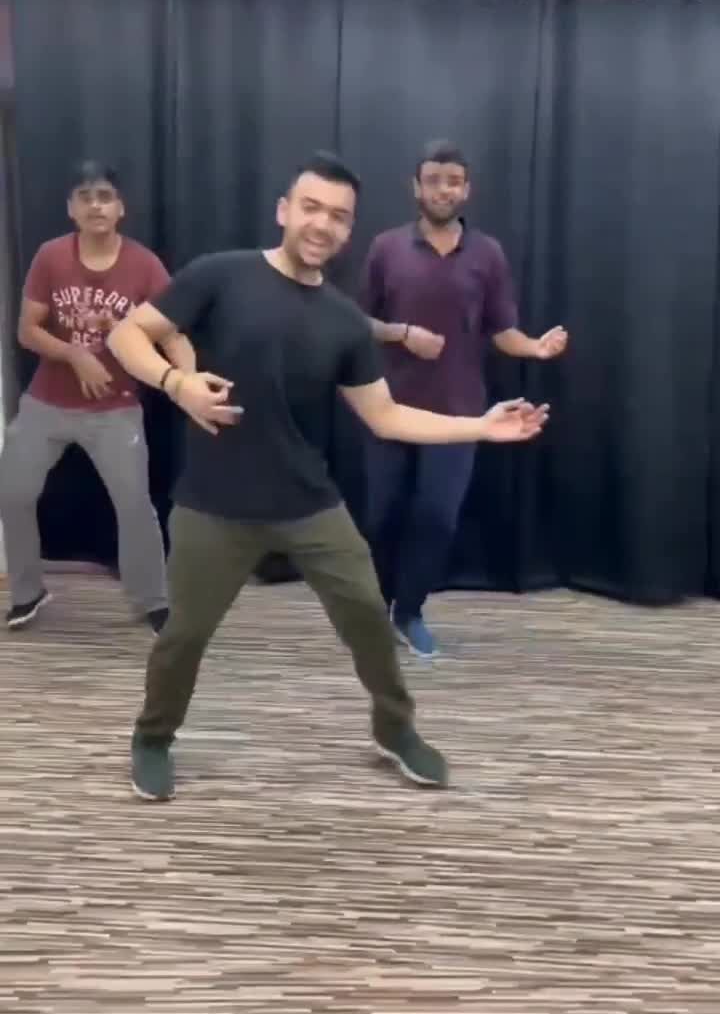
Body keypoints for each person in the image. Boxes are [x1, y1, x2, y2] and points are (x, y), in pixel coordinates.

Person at [108, 151, 549, 802]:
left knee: (369, 616)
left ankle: (394, 729)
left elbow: (387, 416)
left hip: (308, 504)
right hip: (213, 506)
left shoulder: (344, 322)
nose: (322, 224)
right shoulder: (221, 275)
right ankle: (152, 738)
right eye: (311, 208)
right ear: (284, 211)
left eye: (338, 216)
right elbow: (127, 335)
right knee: (185, 636)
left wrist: (480, 427)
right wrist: (177, 383)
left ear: (348, 230)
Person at [360, 139, 568, 659]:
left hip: (460, 413)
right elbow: (357, 321)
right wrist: (402, 334)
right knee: (382, 514)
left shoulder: (487, 254)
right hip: (390, 410)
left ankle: (409, 611)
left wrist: (535, 348)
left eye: (453, 181)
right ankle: (375, 606)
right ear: (416, 187)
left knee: (437, 518)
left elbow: (502, 330)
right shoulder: (386, 247)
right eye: (434, 180)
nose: (443, 190)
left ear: (467, 189)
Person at [0, 160, 193, 632]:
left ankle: (152, 599)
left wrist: (188, 383)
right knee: (13, 492)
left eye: (105, 196)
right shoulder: (51, 256)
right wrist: (74, 354)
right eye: (85, 197)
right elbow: (27, 330)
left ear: (120, 207)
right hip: (47, 402)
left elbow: (173, 336)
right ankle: (27, 592)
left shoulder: (144, 265)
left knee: (135, 505)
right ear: (71, 208)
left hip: (115, 407)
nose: (95, 205)